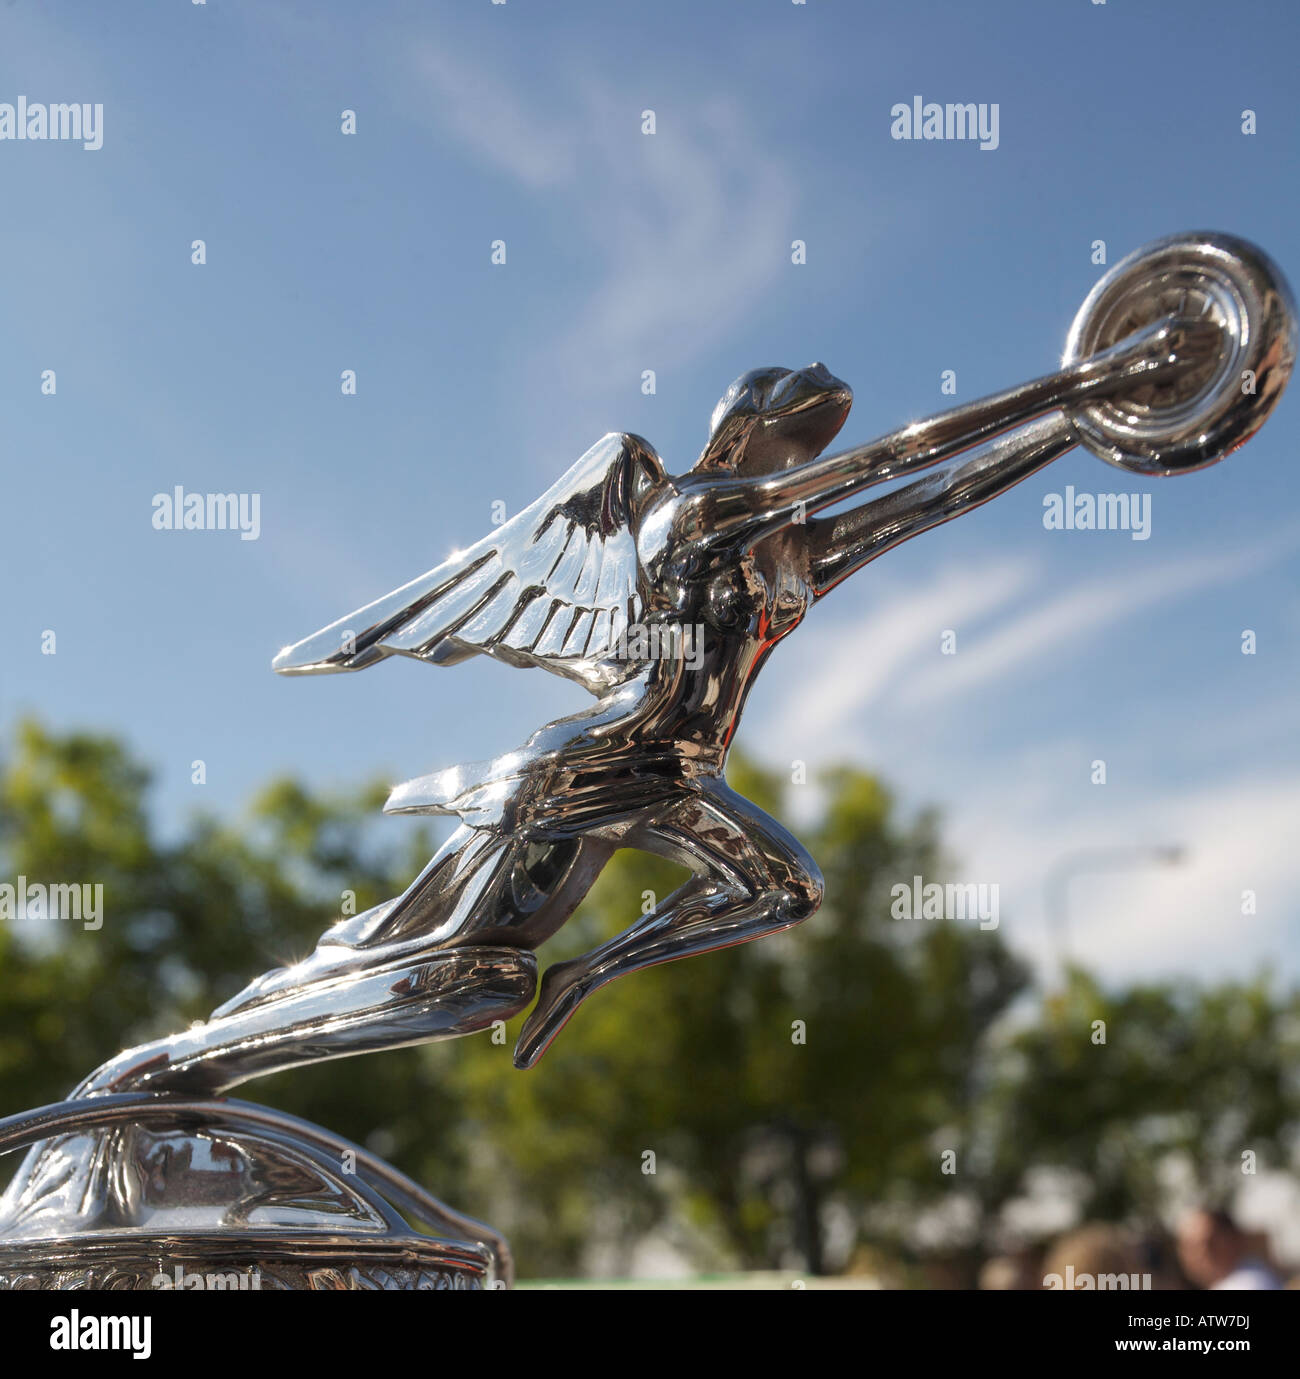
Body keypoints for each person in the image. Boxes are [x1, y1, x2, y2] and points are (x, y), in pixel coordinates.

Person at [1176, 1208, 1281, 1290]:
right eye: (1191, 1246)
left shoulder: (1250, 1284)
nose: (1202, 1253)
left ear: (1234, 1239)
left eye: (1210, 1242)